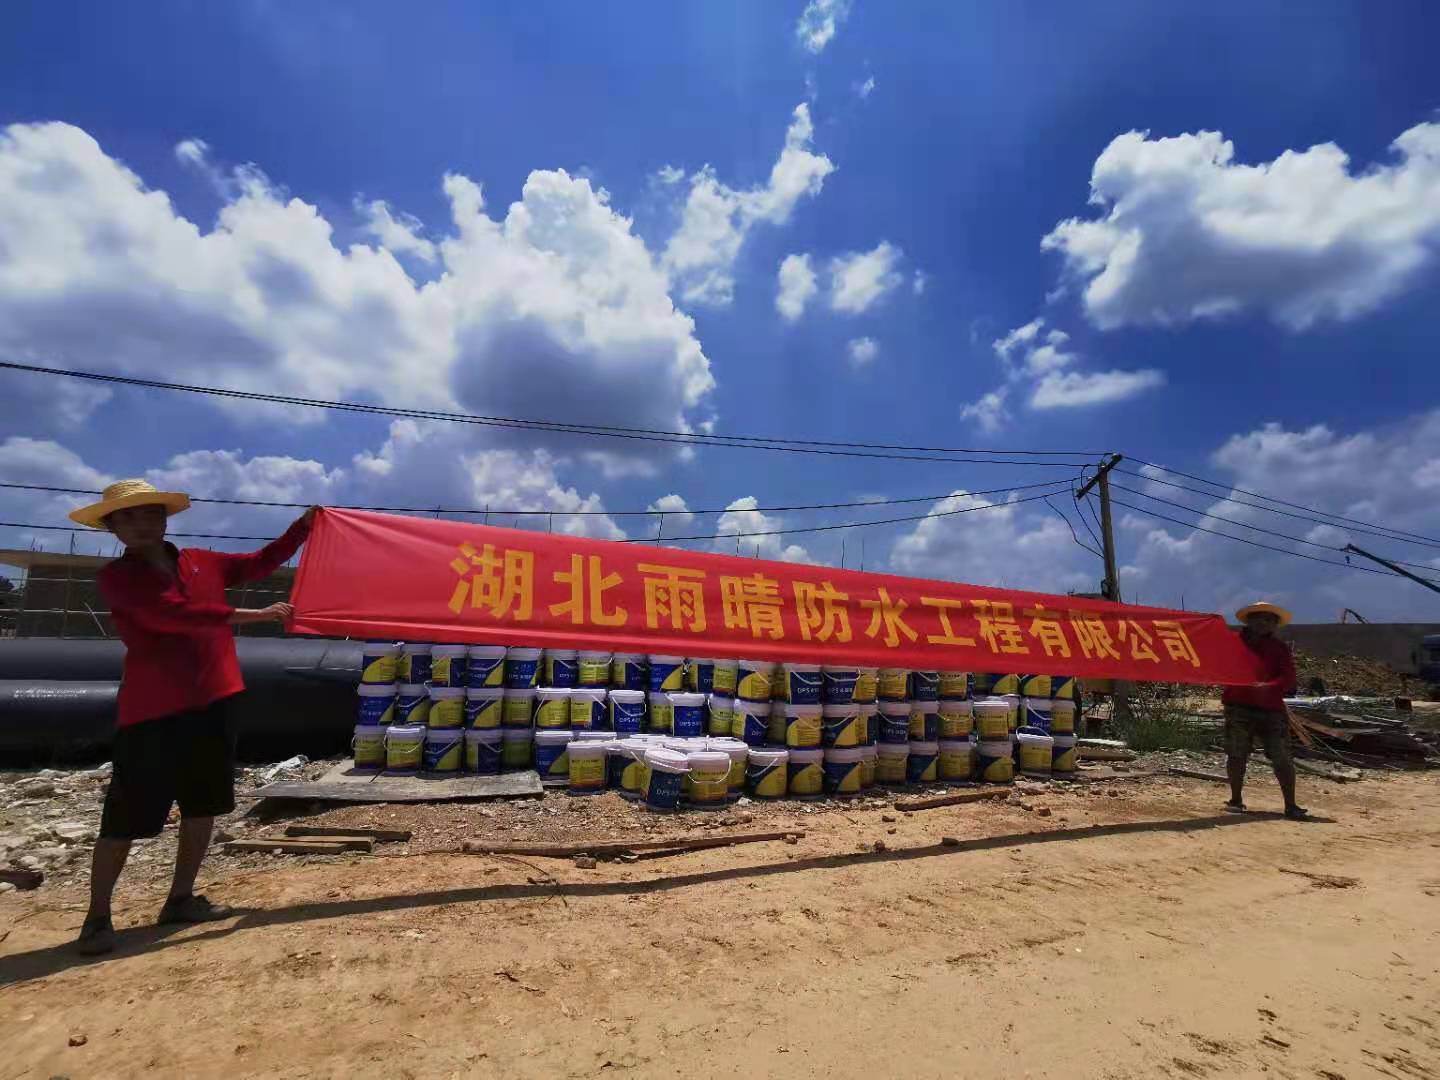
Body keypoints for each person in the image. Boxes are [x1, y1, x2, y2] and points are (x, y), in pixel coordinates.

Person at [66, 479, 318, 956]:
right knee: (126, 815)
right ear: (112, 528)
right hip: (155, 710)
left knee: (203, 805)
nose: (140, 524)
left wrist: (301, 529)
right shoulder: (118, 578)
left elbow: (259, 562)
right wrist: (258, 615)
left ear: (164, 520)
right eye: (127, 517)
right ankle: (97, 918)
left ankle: (180, 898)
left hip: (217, 699)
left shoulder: (202, 561)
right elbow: (172, 615)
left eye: (148, 514)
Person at [1222, 601, 1307, 821]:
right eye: (1259, 618)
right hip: (1238, 707)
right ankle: (1235, 800)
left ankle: (1291, 805)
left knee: (1281, 756)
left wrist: (1268, 687)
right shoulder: (1232, 643)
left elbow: (1289, 679)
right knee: (1236, 754)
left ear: (1275, 625)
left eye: (1269, 620)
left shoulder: (1279, 649)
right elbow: (1218, 665)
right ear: (1249, 621)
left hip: (1271, 710)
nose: (1264, 623)